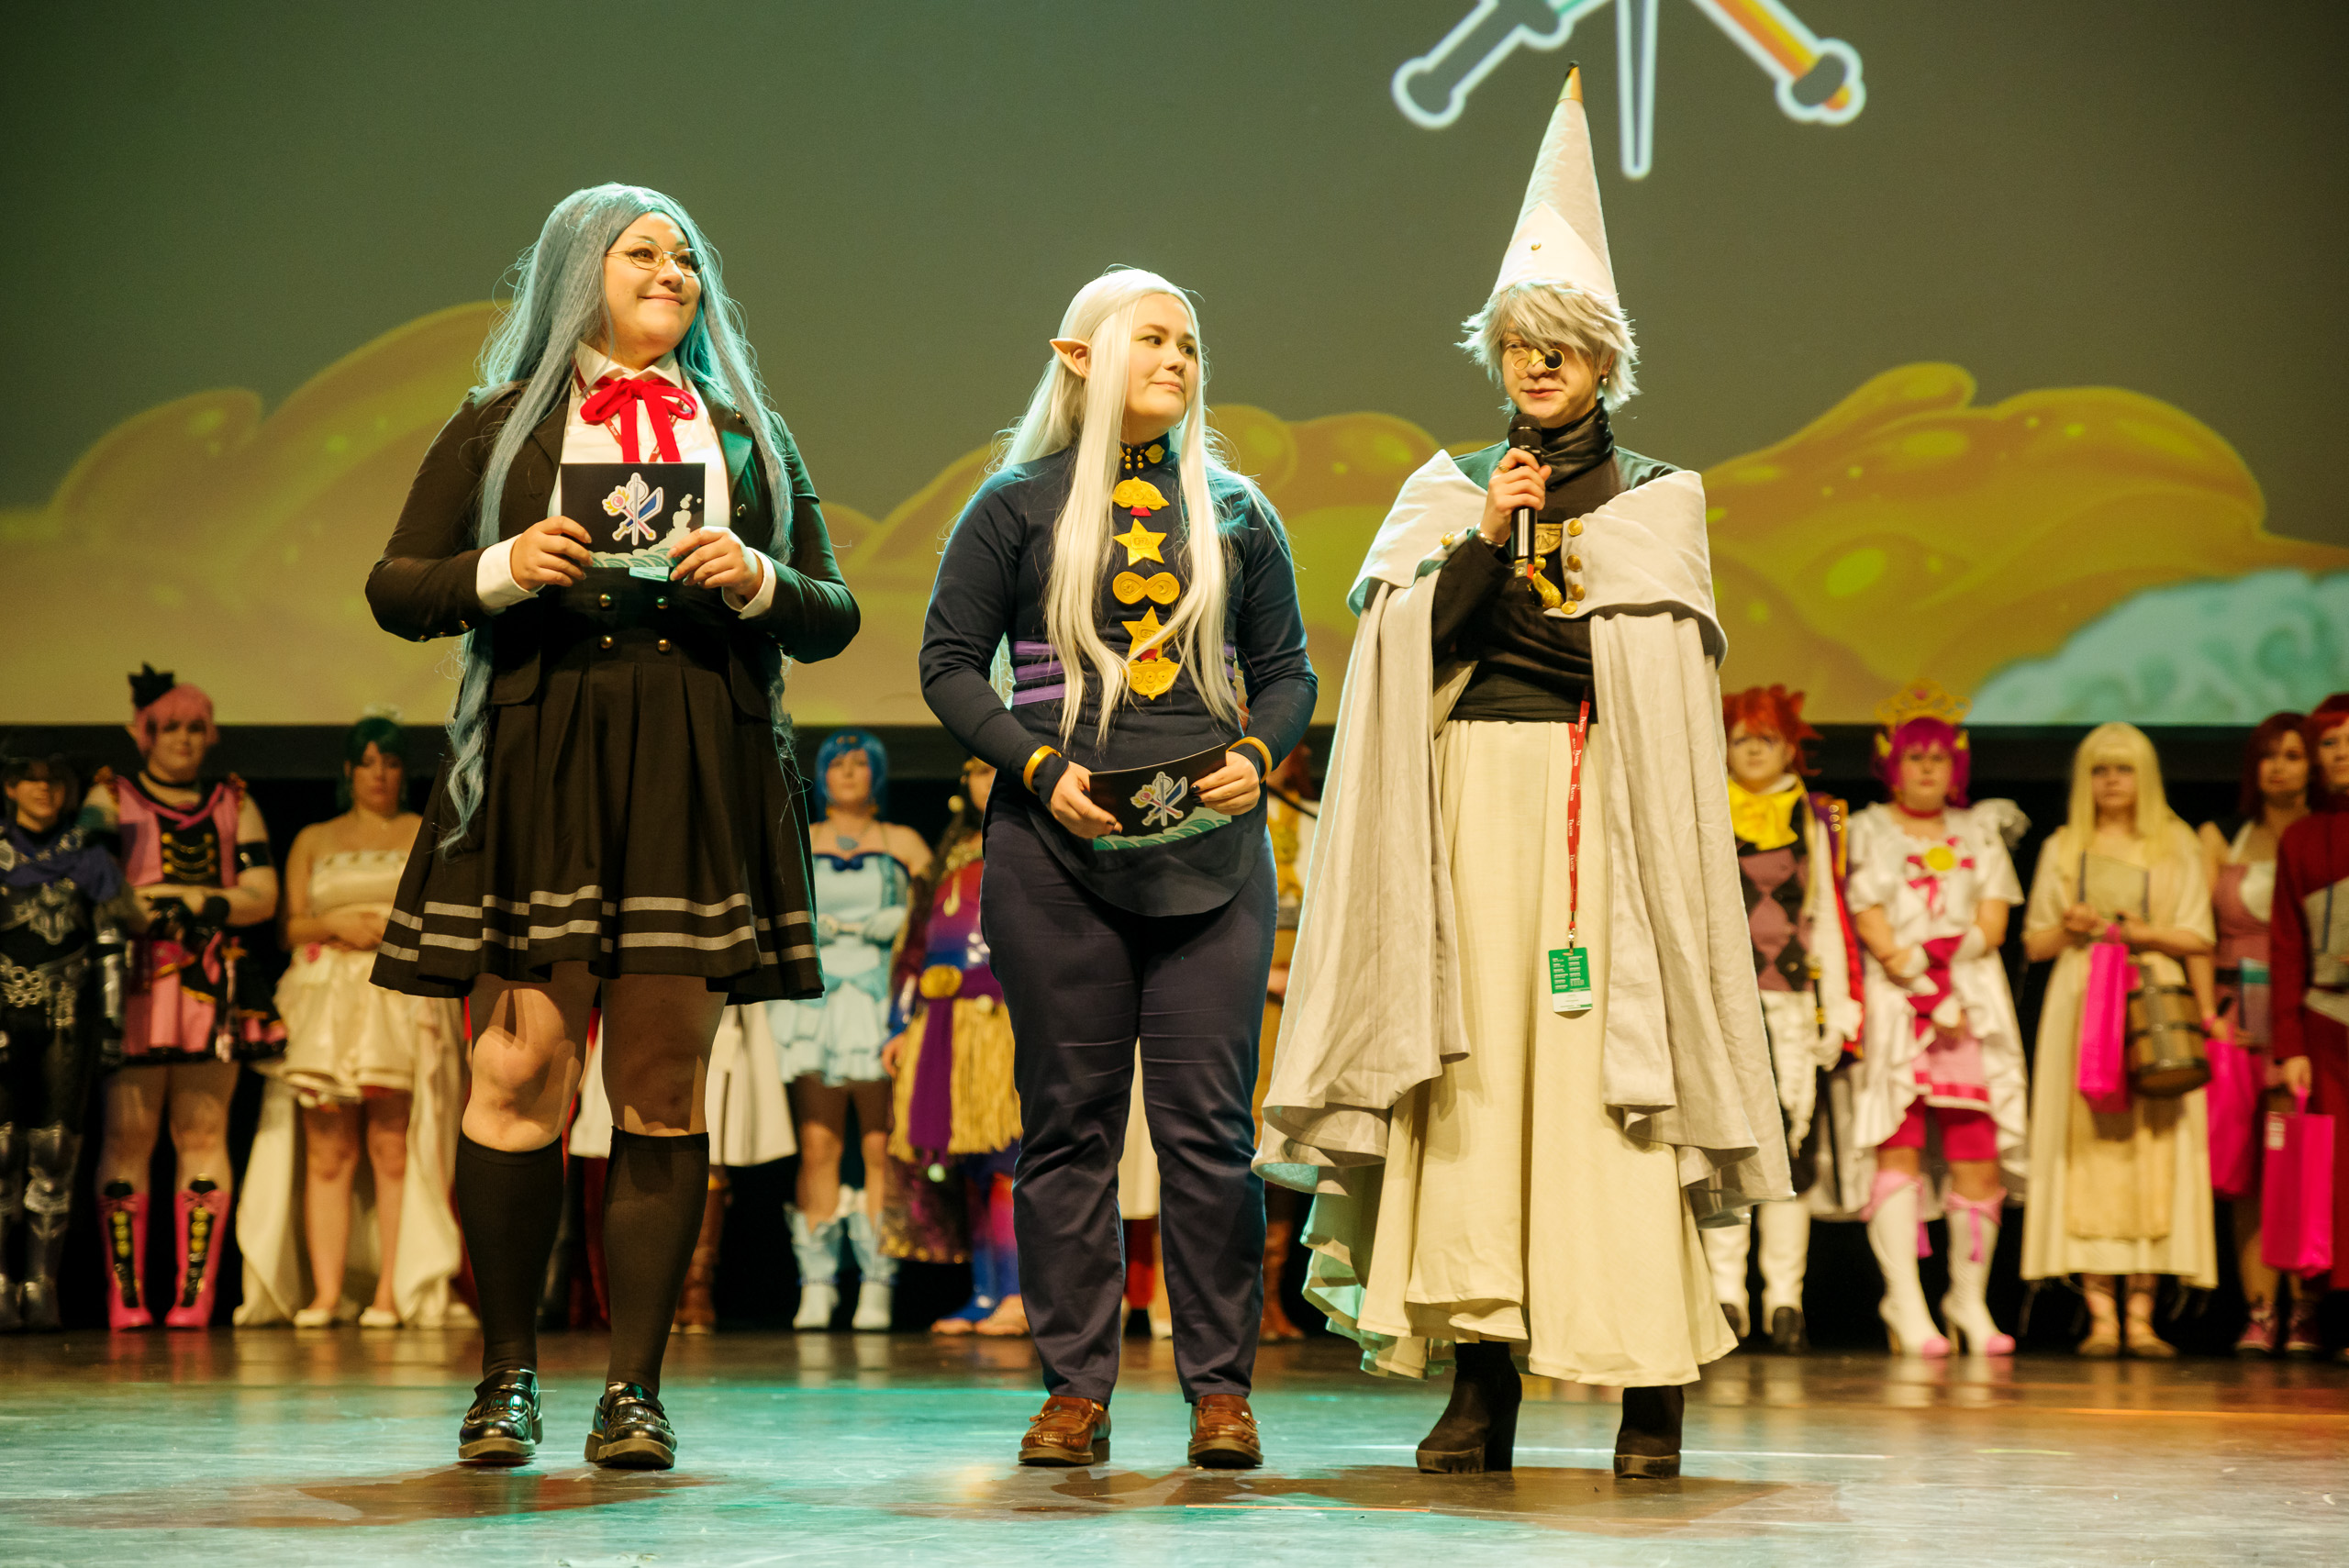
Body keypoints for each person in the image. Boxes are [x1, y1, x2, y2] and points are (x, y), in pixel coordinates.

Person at [1256, 67, 1787, 1482]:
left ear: (1604, 359)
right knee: (1476, 1078)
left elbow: (1642, 673)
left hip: (1600, 814)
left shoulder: (1662, 498)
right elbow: (1414, 650)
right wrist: (1491, 542)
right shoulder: (1447, 491)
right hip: (1470, 814)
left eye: (1561, 346)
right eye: (1518, 346)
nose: (1538, 366)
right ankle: (1480, 1381)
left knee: (1616, 1082)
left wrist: (1536, 619)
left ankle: (1648, 1390)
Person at [365, 183, 857, 1469]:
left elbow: (833, 608)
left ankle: (634, 1390)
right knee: (518, 1070)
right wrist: (501, 568)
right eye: (643, 252)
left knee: (661, 1078)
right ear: (578, 273)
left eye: (687, 256)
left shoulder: (746, 432)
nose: (673, 271)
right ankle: (506, 1378)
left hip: (694, 759)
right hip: (544, 753)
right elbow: (396, 585)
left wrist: (758, 577)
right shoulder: (501, 427)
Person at [920, 266, 1316, 1470]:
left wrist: (1257, 753)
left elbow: (1288, 672)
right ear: (1079, 356)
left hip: (1213, 863)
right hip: (1055, 856)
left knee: (1208, 1136)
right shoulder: (1013, 505)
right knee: (1068, 1129)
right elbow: (949, 664)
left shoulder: (1237, 511)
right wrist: (1037, 768)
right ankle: (1075, 1391)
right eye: (1152, 338)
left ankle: (1220, 1393)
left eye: (1189, 344)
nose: (1178, 360)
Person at [237, 715, 468, 1329]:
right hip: (327, 999)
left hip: (397, 995)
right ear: (348, 771)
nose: (379, 774)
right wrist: (334, 924)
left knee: (392, 1146)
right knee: (327, 1151)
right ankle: (325, 1291)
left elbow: (447, 911)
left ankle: (390, 1292)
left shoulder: (423, 829)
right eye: (367, 763)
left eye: (390, 763)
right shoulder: (314, 837)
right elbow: (289, 926)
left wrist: (393, 930)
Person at [85, 667, 284, 1330]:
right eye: (170, 727)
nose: (184, 739)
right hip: (133, 984)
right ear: (143, 733)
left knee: (203, 1134)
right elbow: (94, 880)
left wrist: (189, 900)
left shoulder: (234, 800)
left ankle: (193, 1297)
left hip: (209, 983)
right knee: (127, 1137)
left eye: (196, 727)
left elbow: (264, 896)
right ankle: (126, 1297)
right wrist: (150, 907)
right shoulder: (110, 796)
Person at [1844, 684, 2030, 1357]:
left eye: (1939, 758)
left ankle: (1968, 1300)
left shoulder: (1979, 829)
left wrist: (1938, 962)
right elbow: (1867, 915)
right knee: (1897, 1140)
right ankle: (1905, 1301)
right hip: (1899, 998)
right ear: (1891, 765)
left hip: (1970, 1000)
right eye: (1914, 757)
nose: (1927, 769)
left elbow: (1994, 920)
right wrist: (1915, 974)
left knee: (1976, 1149)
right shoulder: (1867, 828)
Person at [2021, 722, 2218, 1355]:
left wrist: (2143, 931)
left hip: (2151, 1003)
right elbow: (2035, 942)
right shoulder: (2062, 845)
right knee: (2086, 1145)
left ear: (2145, 776)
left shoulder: (2175, 842)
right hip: (2083, 1001)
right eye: (2100, 769)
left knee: (2154, 1145)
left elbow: (2199, 936)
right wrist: (2074, 926)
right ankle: (2100, 1312)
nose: (2111, 780)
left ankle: (2142, 1312)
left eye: (2124, 768)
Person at [1704, 686, 1862, 1353]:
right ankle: (1726, 1295)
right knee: (1727, 1149)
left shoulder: (1813, 816)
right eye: (1741, 737)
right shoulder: (1704, 805)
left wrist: (1838, 1007)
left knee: (1791, 1152)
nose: (1753, 750)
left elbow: (1825, 914)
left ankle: (1785, 1299)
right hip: (1724, 1003)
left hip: (1792, 1003)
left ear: (1790, 746)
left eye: (1766, 738)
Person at [770, 729, 929, 1332]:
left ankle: (878, 1284)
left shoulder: (903, 841)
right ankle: (816, 1284)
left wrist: (902, 919)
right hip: (815, 1003)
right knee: (818, 1145)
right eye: (837, 763)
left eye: (860, 762)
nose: (848, 772)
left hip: (881, 1002)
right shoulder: (799, 837)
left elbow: (939, 918)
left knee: (880, 1146)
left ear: (878, 774)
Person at [879, 758, 1027, 1337]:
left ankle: (1018, 1295)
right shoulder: (945, 859)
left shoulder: (1037, 843)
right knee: (968, 1164)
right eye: (977, 771)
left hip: (1001, 1019)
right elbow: (912, 950)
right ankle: (986, 1294)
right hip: (942, 1020)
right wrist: (898, 1025)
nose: (987, 781)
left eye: (995, 769)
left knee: (1007, 1160)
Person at [0, 740, 129, 1330]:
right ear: (10, 788)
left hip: (65, 1020)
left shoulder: (89, 859)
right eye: (31, 779)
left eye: (53, 780)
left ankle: (41, 1285)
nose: (43, 789)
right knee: (2, 1151)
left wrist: (112, 1024)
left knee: (55, 1151)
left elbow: (110, 944)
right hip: (6, 1019)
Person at [2197, 712, 2311, 1353]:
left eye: (2293, 755)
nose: (2279, 767)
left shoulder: (2327, 834)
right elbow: (2199, 931)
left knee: (2303, 1158)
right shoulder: (2224, 836)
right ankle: (2261, 1309)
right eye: (2268, 756)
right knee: (2247, 1168)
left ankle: (2309, 1307)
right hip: (2237, 1011)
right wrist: (2209, 1014)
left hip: (2304, 1012)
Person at [2270, 693, 2349, 1362]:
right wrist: (2290, 1041)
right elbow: (2287, 946)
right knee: (2337, 1172)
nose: (2342, 752)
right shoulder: (2301, 838)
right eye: (2330, 742)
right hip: (2327, 1020)